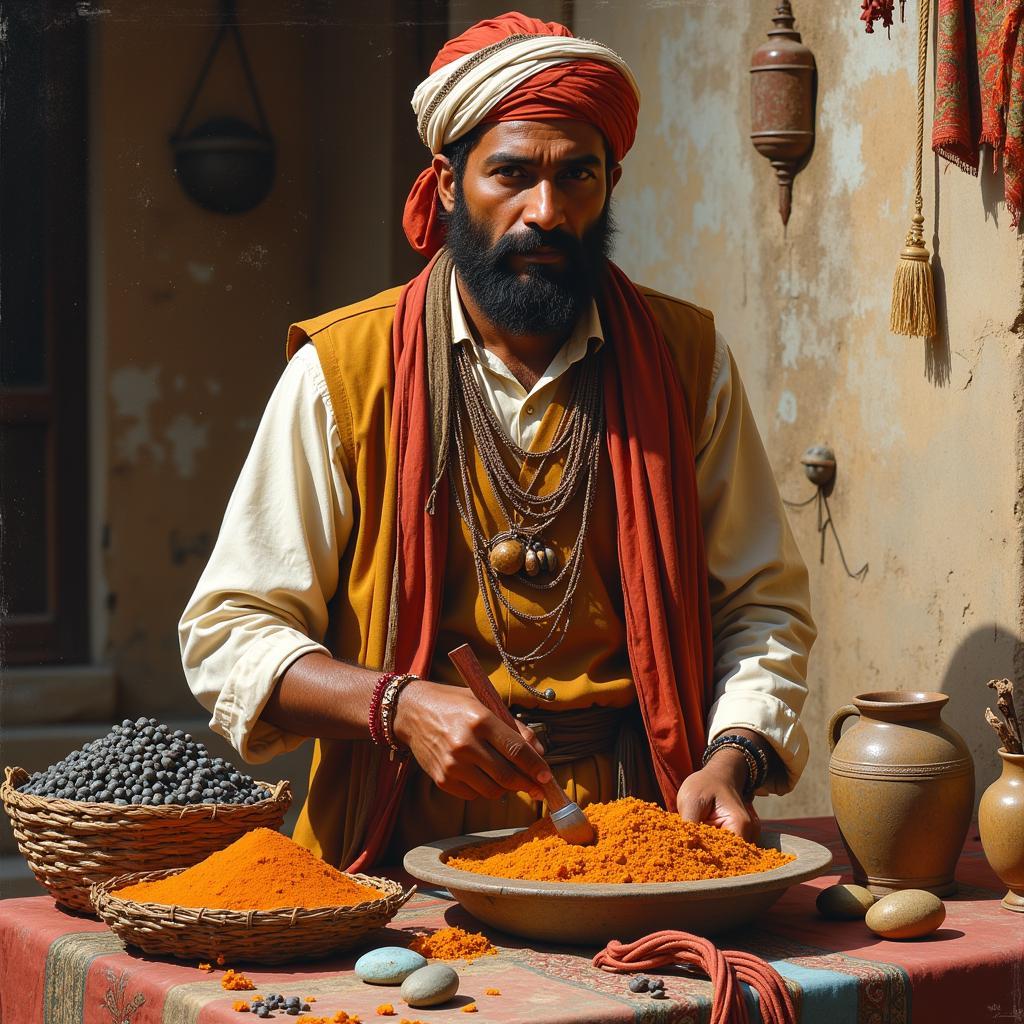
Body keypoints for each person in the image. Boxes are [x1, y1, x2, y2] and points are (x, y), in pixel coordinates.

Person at [180, 12, 815, 872]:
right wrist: (397, 706)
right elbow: (229, 631)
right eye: (510, 174)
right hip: (395, 834)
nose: (544, 212)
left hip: (628, 833)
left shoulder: (684, 360)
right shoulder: (343, 371)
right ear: (446, 182)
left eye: (577, 178)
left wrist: (732, 758)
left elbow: (761, 604)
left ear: (611, 181)